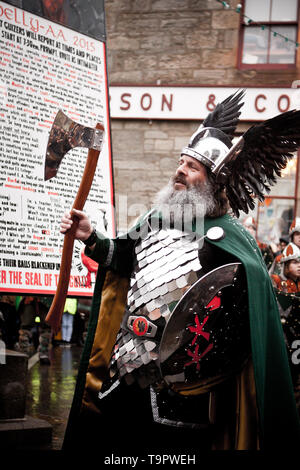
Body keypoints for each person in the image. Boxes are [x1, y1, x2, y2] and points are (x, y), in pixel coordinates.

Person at [56, 91, 300, 452]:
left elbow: (237, 312)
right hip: (125, 371)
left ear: (213, 181)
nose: (179, 171)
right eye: (180, 162)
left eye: (192, 167)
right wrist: (91, 236)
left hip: (182, 393)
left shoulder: (228, 239)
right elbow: (122, 258)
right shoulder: (155, 217)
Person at [271, 242, 300, 415]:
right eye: (295, 262)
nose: (299, 266)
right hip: (283, 340)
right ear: (286, 265)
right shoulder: (276, 286)